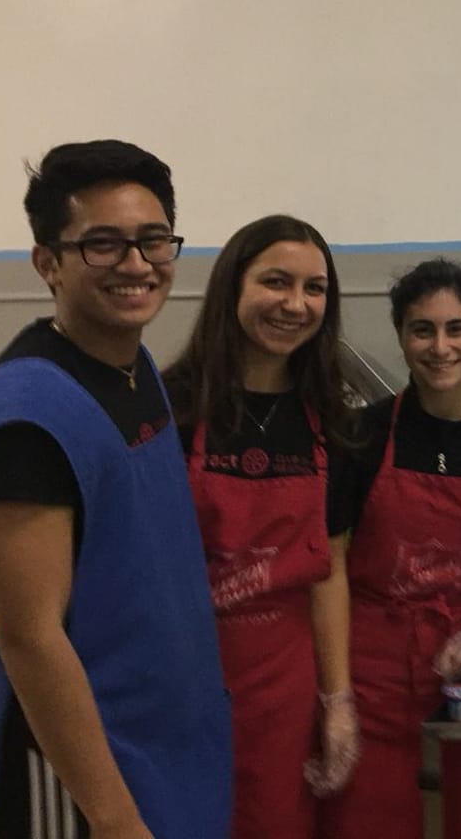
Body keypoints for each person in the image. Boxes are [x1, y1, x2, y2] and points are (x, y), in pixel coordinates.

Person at [0, 140, 231, 839]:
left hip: (167, 751)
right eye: (103, 244)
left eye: (154, 240)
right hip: (81, 781)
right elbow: (29, 640)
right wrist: (116, 821)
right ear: (47, 262)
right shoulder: (24, 420)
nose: (137, 263)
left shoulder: (133, 367)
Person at [321, 258, 461, 839]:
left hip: (460, 660)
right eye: (422, 330)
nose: (440, 347)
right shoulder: (364, 435)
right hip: (368, 657)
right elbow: (330, 558)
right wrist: (335, 693)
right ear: (402, 338)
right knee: (370, 817)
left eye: (456, 328)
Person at [162, 214, 364, 838]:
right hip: (182, 680)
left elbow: (328, 572)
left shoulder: (331, 420)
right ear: (233, 286)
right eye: (276, 281)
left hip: (284, 691)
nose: (295, 304)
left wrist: (337, 701)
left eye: (314, 288)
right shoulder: (168, 409)